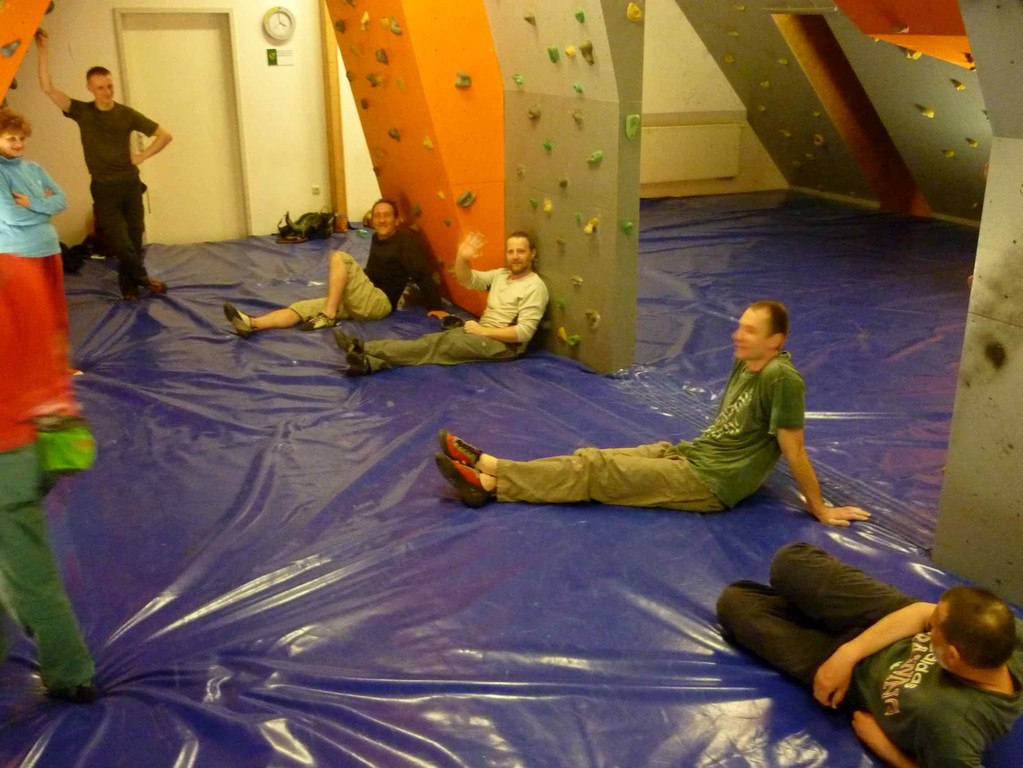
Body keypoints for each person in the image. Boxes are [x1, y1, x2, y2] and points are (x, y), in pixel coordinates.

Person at [434, 300, 868, 526]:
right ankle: (490, 466)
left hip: (711, 483)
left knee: (597, 472)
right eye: (739, 326)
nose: (737, 335)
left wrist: (820, 507)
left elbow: (794, 451)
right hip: (691, 454)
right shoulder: (746, 360)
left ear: (777, 340)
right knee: (592, 459)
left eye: (749, 331)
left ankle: (491, 485)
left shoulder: (782, 379)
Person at [716, 542, 1023, 767]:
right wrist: (848, 653)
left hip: (854, 677)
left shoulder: (953, 726)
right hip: (886, 621)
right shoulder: (1004, 633)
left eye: (934, 633)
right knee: (790, 562)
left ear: (953, 657)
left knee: (735, 603)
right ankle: (814, 611)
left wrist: (886, 747)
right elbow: (920, 613)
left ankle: (807, 615)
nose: (930, 630)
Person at [0, 108, 98, 703]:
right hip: (38, 440)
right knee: (16, 551)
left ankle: (70, 669)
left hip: (9, 448)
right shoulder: (19, 277)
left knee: (28, 569)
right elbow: (52, 350)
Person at [35, 28, 172, 301]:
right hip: (104, 188)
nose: (107, 92)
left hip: (131, 185)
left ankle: (129, 287)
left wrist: (143, 156)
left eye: (109, 86)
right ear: (90, 88)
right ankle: (143, 278)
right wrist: (43, 51)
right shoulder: (82, 112)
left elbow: (164, 135)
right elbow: (48, 89)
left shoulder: (126, 114)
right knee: (121, 244)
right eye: (100, 87)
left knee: (133, 239)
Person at [335, 230, 549, 375]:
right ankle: (369, 362)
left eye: (521, 251)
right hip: (481, 332)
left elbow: (523, 333)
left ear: (532, 254)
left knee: (439, 345)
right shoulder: (501, 275)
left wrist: (483, 332)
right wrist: (463, 257)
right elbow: (468, 279)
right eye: (511, 251)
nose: (515, 256)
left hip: (504, 345)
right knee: (433, 343)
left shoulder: (534, 287)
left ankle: (365, 348)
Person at [223, 198, 447, 336]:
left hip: (379, 303)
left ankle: (328, 315)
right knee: (302, 307)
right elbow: (376, 273)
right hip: (364, 298)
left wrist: (437, 306)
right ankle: (252, 323)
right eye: (377, 216)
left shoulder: (405, 242)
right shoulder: (377, 238)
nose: (381, 220)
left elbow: (423, 274)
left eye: (387, 215)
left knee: (340, 257)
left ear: (396, 219)